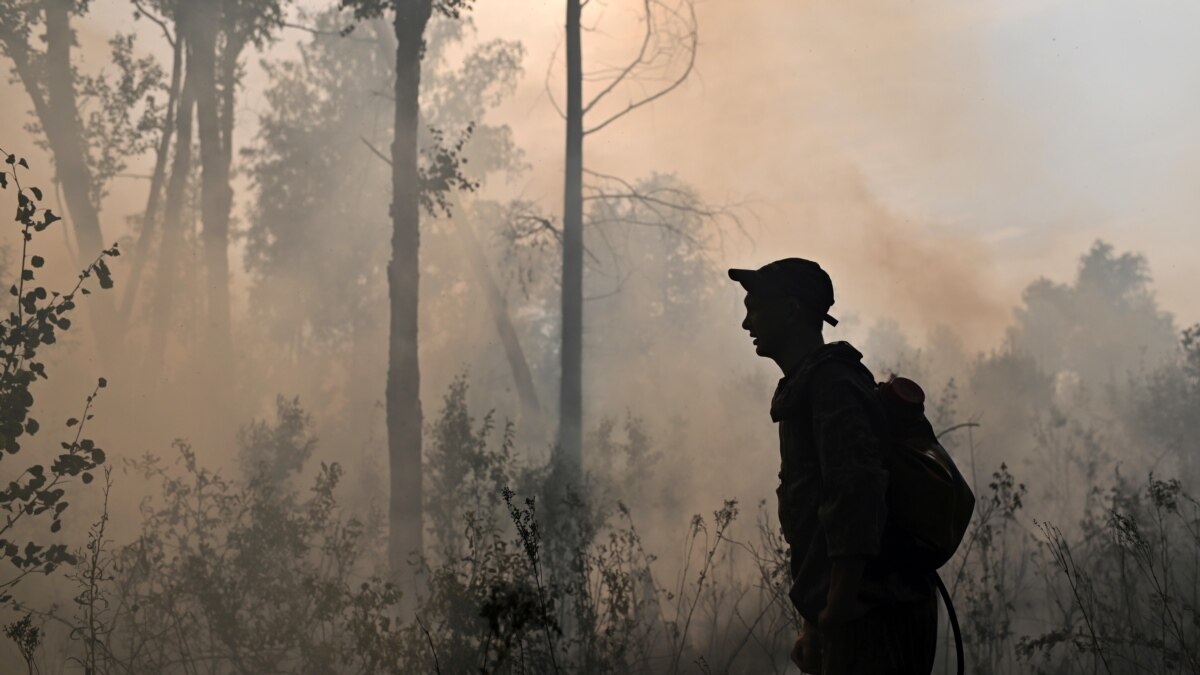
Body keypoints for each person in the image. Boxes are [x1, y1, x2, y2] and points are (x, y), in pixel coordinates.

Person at [729, 258, 937, 675]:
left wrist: (837, 610)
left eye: (756, 308)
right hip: (850, 610)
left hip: (875, 613)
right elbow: (814, 524)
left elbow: (855, 499)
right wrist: (815, 621)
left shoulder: (833, 387)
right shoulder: (806, 388)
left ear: (790, 311)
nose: (746, 324)